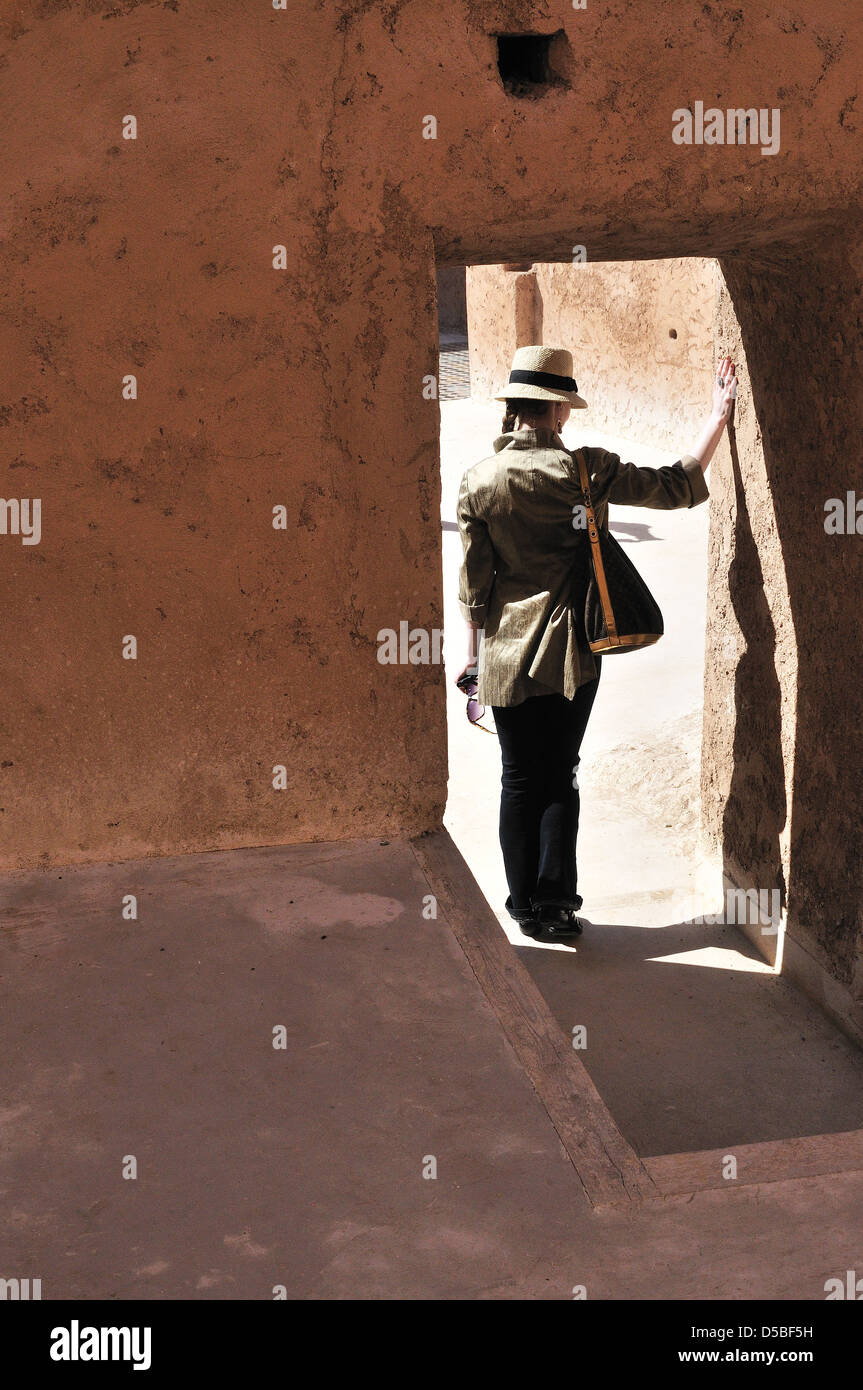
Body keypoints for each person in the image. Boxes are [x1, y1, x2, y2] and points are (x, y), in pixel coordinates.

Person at [455, 344, 738, 939]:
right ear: (559, 412)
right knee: (561, 773)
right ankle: (556, 905)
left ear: (514, 407)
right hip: (572, 653)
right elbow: (673, 487)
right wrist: (717, 418)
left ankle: (522, 903)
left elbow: (475, 589)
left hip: (505, 655)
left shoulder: (478, 482)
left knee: (517, 778)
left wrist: (471, 658)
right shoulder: (587, 470)